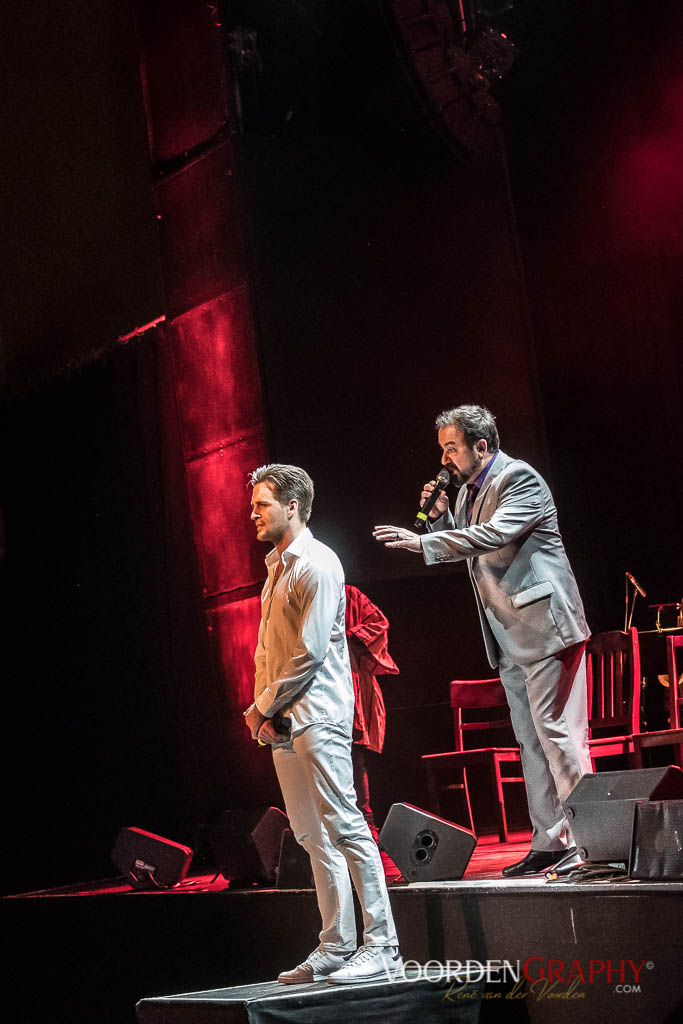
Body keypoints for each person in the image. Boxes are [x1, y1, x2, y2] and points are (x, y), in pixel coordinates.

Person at [373, 405, 592, 877]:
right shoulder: (469, 492)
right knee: (531, 742)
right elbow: (464, 540)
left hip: (548, 629)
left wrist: (421, 543)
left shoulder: (520, 480)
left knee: (559, 737)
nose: (445, 459)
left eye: (452, 448)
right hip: (511, 636)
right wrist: (434, 522)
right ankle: (551, 842)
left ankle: (590, 843)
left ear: (481, 446)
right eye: (443, 450)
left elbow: (492, 536)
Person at [244, 464, 402, 983]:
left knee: (346, 827)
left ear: (292, 506)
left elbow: (309, 653)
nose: (253, 512)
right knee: (311, 836)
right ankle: (336, 944)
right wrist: (265, 711)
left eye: (261, 504)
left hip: (318, 717)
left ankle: (383, 945)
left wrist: (263, 705)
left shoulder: (318, 563)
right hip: (285, 723)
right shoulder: (277, 568)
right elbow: (270, 651)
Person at [345, 584, 399, 853]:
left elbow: (378, 624)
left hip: (351, 682)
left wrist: (348, 636)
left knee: (355, 757)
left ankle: (367, 826)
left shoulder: (350, 595)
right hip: (317, 689)